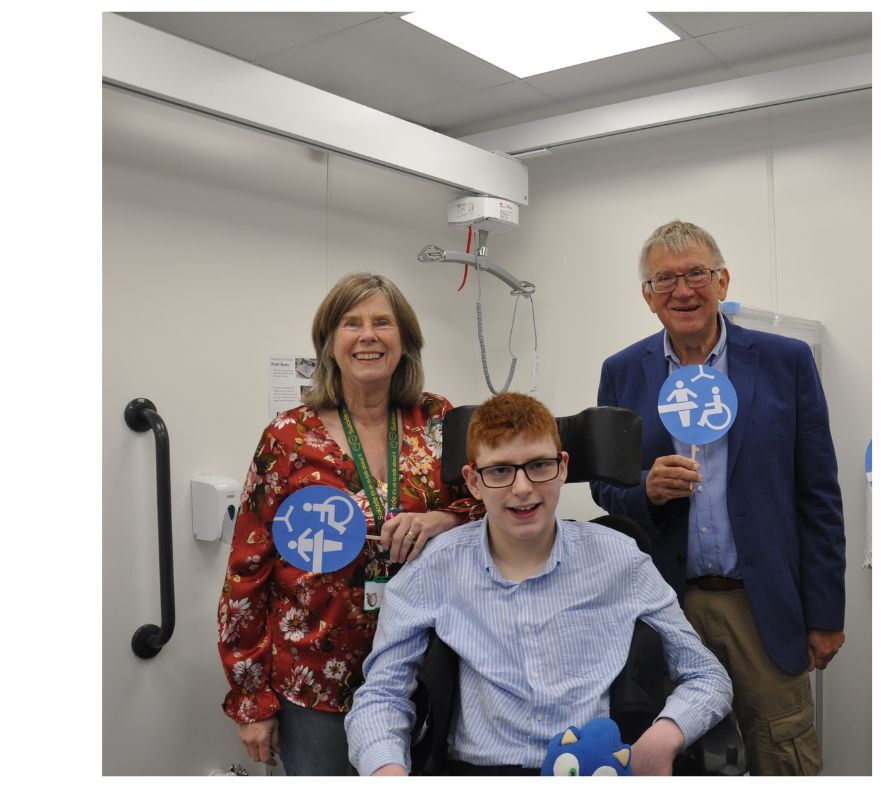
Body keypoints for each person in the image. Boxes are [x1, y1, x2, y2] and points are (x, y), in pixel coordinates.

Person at [344, 392, 732, 776]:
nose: (523, 488)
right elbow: (382, 695)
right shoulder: (435, 567)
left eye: (539, 466)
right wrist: (387, 771)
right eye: (499, 471)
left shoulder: (620, 559)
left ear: (562, 467)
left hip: (595, 767)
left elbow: (706, 675)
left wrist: (663, 737)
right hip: (482, 770)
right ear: (472, 481)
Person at [591, 220, 846, 775]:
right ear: (648, 297)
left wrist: (825, 613)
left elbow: (819, 494)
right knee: (676, 756)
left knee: (783, 750)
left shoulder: (786, 361)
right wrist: (645, 488)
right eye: (665, 280)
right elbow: (603, 486)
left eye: (697, 275)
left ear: (723, 281)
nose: (683, 291)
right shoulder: (622, 371)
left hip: (761, 603)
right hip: (664, 603)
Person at [217, 272, 482, 775]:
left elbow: (493, 508)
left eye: (383, 322)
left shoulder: (440, 420)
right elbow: (246, 569)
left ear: (405, 342)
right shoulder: (289, 437)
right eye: (351, 323)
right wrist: (250, 698)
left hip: (427, 664)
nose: (368, 335)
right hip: (317, 675)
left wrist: (443, 518)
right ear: (328, 343)